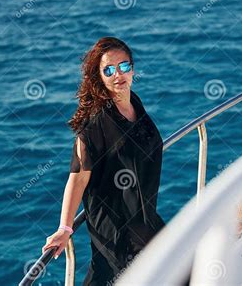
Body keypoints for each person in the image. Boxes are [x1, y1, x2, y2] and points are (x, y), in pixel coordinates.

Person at [41, 36, 166, 285]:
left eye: (124, 66)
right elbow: (77, 179)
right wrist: (65, 229)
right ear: (99, 77)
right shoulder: (95, 125)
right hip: (117, 229)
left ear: (133, 68)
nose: (118, 74)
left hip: (144, 217)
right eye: (109, 70)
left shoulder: (134, 104)